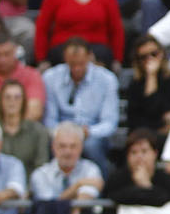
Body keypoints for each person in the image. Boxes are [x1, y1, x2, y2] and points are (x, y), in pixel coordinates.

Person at [30, 121, 105, 214]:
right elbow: (51, 204)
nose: (68, 152)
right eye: (62, 146)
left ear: (81, 148)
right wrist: (77, 186)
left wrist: (76, 209)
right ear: (53, 148)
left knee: (84, 213)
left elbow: (90, 193)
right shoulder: (41, 174)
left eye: (73, 146)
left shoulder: (90, 168)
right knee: (49, 213)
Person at [42, 38, 119, 169]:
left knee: (91, 146)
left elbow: (109, 123)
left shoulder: (107, 79)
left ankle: (100, 186)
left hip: (92, 133)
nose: (77, 68)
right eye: (72, 64)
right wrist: (65, 133)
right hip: (61, 132)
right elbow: (49, 120)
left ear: (90, 57)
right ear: (65, 59)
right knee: (51, 144)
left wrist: (88, 132)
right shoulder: (50, 77)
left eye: (81, 63)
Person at [105, 129, 170, 206]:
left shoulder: (166, 179)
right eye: (134, 152)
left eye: (144, 151)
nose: (139, 157)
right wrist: (143, 190)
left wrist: (146, 185)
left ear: (155, 153)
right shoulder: (116, 178)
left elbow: (166, 199)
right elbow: (115, 197)